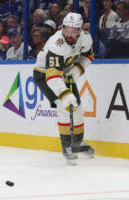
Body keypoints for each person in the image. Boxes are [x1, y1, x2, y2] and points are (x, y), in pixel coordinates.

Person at [33, 12, 95, 162]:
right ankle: (67, 147)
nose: (69, 34)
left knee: (78, 108)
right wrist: (65, 94)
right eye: (66, 29)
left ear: (80, 30)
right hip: (44, 74)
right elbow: (53, 76)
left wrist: (77, 69)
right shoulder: (56, 43)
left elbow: (89, 56)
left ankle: (78, 143)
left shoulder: (86, 39)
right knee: (64, 106)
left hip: (65, 73)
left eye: (73, 31)